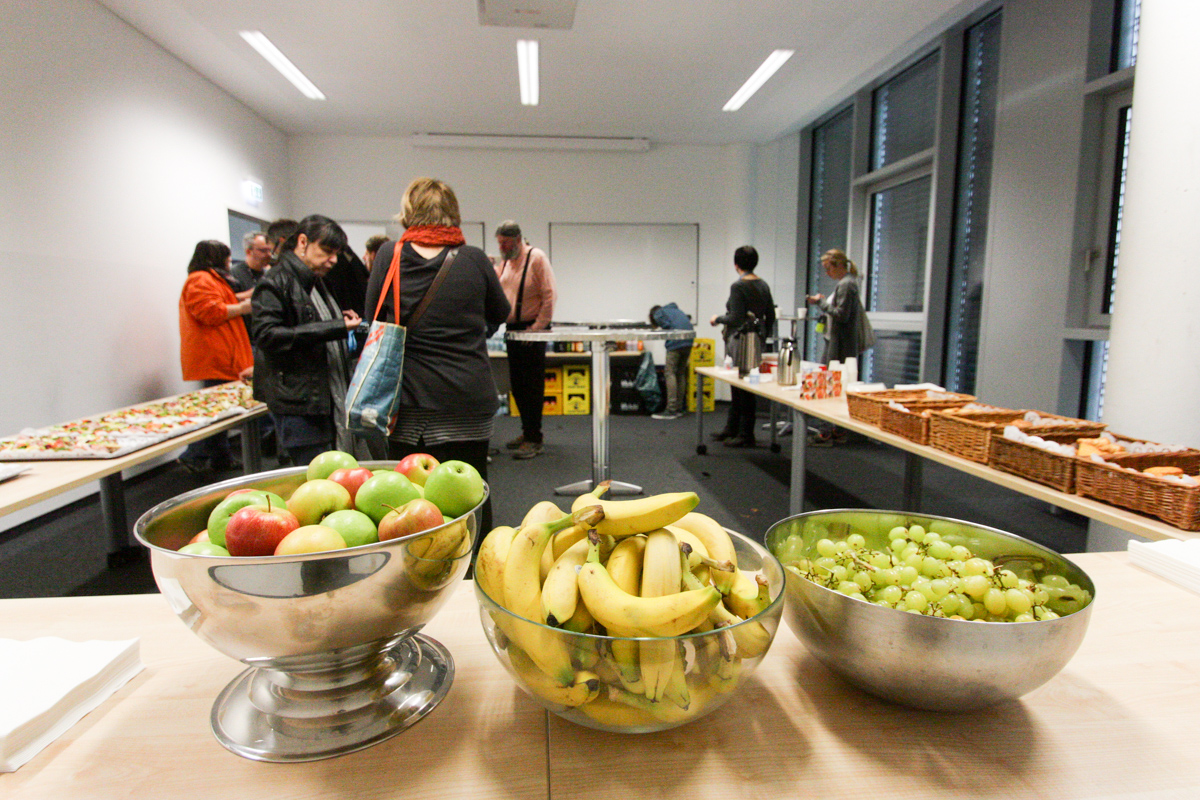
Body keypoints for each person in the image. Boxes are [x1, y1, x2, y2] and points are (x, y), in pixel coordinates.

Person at [363, 177, 510, 530]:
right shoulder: (474, 259)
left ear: (408, 212)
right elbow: (500, 312)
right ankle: (477, 559)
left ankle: (419, 562)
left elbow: (373, 319)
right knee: (472, 495)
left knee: (408, 500)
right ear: (453, 212)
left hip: (407, 402)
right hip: (467, 399)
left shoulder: (389, 255)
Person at [251, 215, 362, 467]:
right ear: (302, 242)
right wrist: (335, 326)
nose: (333, 260)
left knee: (332, 471)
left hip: (318, 398)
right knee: (316, 474)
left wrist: (337, 318)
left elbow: (305, 319)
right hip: (299, 403)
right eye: (327, 251)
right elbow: (267, 335)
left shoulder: (315, 281)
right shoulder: (276, 281)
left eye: (336, 253)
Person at [177, 239, 254, 473]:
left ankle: (221, 457)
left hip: (219, 354)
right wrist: (244, 307)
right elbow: (210, 311)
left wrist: (244, 297)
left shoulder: (209, 279)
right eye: (227, 258)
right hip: (215, 355)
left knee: (222, 409)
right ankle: (194, 454)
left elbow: (220, 301)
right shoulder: (200, 279)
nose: (230, 262)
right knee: (218, 410)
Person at [494, 220, 556, 460]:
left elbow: (549, 295)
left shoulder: (536, 257)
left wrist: (537, 328)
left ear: (518, 239)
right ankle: (527, 431)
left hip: (532, 329)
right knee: (518, 385)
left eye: (505, 243)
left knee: (531, 385)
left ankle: (534, 438)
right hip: (513, 329)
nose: (502, 247)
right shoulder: (507, 261)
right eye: (499, 243)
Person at [805, 248, 874, 445]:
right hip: (839, 342)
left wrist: (821, 303)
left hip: (840, 344)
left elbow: (841, 315)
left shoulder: (846, 285)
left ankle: (826, 431)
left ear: (838, 265)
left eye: (828, 269)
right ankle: (835, 429)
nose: (827, 273)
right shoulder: (847, 283)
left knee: (827, 384)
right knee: (834, 384)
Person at [709, 245, 775, 448]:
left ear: (736, 264)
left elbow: (735, 318)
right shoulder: (763, 285)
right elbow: (771, 315)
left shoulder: (738, 286)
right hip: (755, 340)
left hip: (739, 340)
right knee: (745, 385)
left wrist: (717, 319)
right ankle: (733, 428)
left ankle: (745, 433)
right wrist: (763, 336)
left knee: (741, 387)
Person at [648, 303, 695, 419]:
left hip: (676, 342)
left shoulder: (659, 313)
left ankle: (671, 409)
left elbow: (667, 326)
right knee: (680, 373)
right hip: (689, 341)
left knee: (670, 373)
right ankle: (679, 408)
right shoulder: (675, 311)